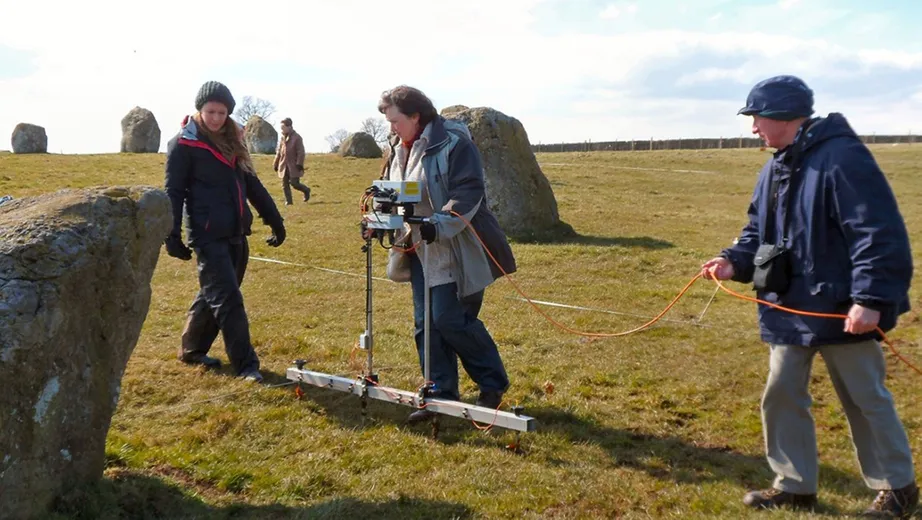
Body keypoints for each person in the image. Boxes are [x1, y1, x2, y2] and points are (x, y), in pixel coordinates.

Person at [701, 75, 918, 517]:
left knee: (865, 398)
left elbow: (877, 234)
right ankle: (795, 484)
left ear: (783, 115)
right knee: (780, 394)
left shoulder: (844, 159)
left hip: (843, 311)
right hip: (788, 306)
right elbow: (757, 232)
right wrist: (732, 262)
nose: (753, 128)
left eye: (756, 117)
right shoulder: (773, 168)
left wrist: (870, 299)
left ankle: (897, 488)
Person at [373, 85, 517, 423]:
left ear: (415, 116)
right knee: (425, 324)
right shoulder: (397, 148)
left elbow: (468, 191)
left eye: (395, 121)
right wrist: (378, 222)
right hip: (419, 249)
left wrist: (441, 222)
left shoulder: (454, 143)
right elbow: (394, 192)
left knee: (450, 319)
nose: (391, 128)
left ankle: (493, 383)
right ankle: (439, 391)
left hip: (457, 248)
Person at [164, 80, 287, 383]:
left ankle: (192, 349)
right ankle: (247, 366)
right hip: (206, 234)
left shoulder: (235, 141)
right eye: (210, 111)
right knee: (229, 299)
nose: (216, 118)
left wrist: (274, 219)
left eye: (221, 112)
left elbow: (252, 184)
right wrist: (171, 234)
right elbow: (174, 190)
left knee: (214, 293)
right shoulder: (183, 144)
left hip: (236, 231)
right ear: (200, 110)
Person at [272, 117, 311, 205]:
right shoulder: (282, 138)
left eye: (283, 127)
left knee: (294, 183)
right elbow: (279, 152)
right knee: (284, 184)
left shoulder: (297, 138)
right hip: (284, 165)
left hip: (293, 165)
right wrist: (276, 163)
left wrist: (299, 164)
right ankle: (289, 201)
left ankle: (306, 190)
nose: (282, 130)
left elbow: (301, 152)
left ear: (289, 127)